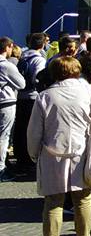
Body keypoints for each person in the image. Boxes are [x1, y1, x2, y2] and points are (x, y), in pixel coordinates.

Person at [27, 56, 91, 236]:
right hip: (83, 152)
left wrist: (33, 154)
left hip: (51, 154)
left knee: (53, 202)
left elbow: (34, 132)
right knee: (84, 199)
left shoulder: (45, 96)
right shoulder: (89, 92)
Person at [14, 33, 47, 174]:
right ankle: (28, 159)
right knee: (30, 129)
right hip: (32, 97)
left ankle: (19, 156)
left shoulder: (23, 55)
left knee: (20, 128)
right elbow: (37, 78)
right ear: (43, 44)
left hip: (20, 95)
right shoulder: (39, 59)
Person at [0, 37, 25, 182]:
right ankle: (1, 169)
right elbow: (21, 84)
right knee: (3, 136)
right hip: (5, 102)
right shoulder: (6, 65)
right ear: (8, 47)